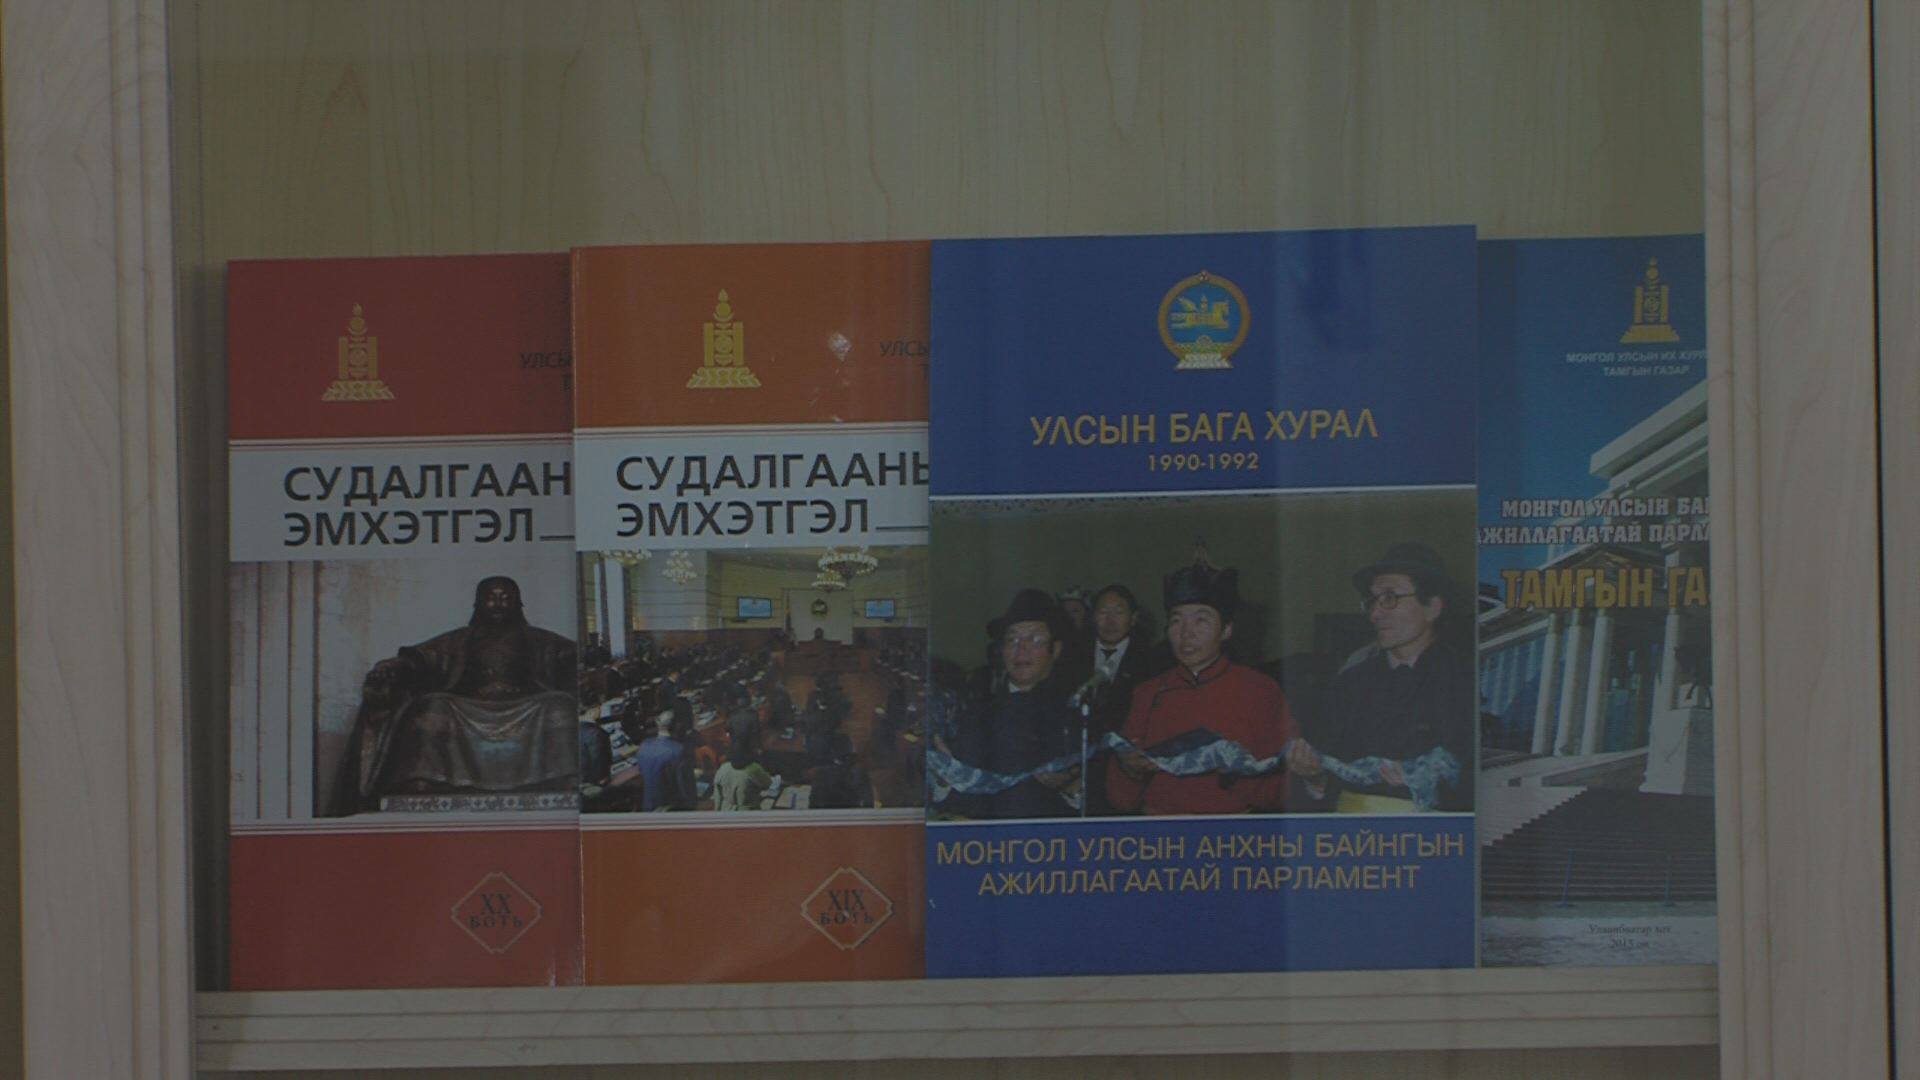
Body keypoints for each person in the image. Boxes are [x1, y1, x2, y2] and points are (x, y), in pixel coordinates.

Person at [331, 575, 576, 815]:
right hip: (466, 705)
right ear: (478, 603)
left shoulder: (540, 640)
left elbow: (570, 655)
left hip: (527, 705)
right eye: (491, 598)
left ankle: (562, 776)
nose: (498, 604)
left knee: (560, 704)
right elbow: (419, 659)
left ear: (518, 603)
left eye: (505, 598)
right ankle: (425, 777)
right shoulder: (458, 640)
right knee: (433, 705)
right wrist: (392, 666)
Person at [1286, 542, 1474, 811]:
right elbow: (1321, 775)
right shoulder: (1348, 683)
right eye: (1372, 601)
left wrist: (1423, 784)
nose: (1375, 614)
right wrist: (1314, 778)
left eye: (1390, 598)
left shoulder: (1467, 681)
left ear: (1432, 607)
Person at [1106, 559, 1297, 815]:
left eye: (1201, 620)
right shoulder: (1147, 693)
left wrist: (1236, 774)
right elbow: (1120, 800)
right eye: (1176, 621)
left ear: (1226, 630)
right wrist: (1131, 771)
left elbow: (1286, 792)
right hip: (1160, 831)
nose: (1186, 633)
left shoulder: (1261, 690)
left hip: (1230, 832)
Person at [943, 589, 1085, 819]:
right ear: (1002, 650)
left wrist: (1071, 789)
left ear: (1056, 650)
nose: (1022, 649)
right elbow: (958, 798)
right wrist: (944, 778)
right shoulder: (977, 711)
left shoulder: (1078, 711)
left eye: (1035, 639)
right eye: (1013, 639)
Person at [633, 711, 696, 811]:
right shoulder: (678, 750)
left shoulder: (644, 746)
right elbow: (686, 791)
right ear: (677, 726)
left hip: (648, 807)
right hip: (671, 810)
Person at [712, 711, 774, 811]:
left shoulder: (723, 769)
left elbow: (718, 796)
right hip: (748, 812)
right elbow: (768, 783)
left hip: (726, 810)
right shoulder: (753, 768)